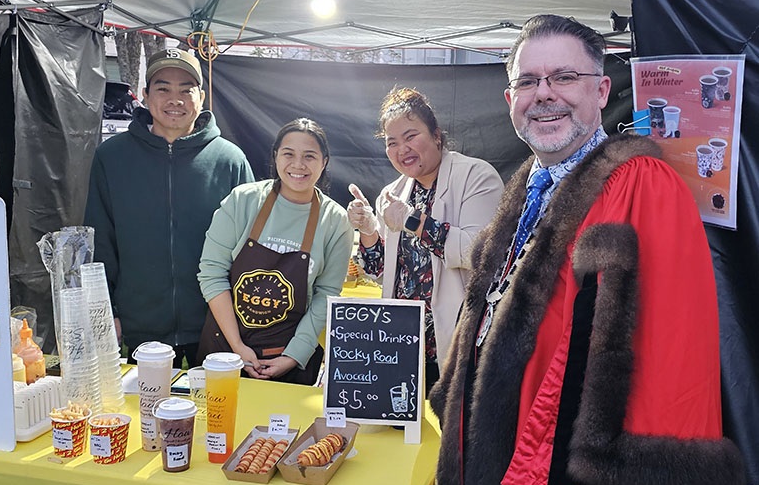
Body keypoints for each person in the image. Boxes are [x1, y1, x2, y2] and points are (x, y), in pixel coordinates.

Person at [427, 15, 745, 485]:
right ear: (510, 99)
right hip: (493, 467)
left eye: (563, 78)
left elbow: (671, 341)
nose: (544, 94)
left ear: (601, 91)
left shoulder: (641, 182)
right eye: (528, 82)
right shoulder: (526, 187)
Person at [84, 48, 254, 368]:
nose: (174, 99)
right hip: (139, 327)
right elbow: (100, 243)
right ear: (146, 96)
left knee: (213, 414)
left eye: (185, 90)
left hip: (215, 326)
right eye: (163, 88)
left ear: (201, 97)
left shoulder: (230, 161)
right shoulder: (112, 158)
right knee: (145, 416)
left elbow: (249, 249)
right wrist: (108, 313)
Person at [347, 87, 503, 392]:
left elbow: (479, 252)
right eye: (392, 143)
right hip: (403, 347)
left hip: (461, 343)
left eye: (410, 136)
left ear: (436, 135)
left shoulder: (475, 176)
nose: (401, 148)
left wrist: (412, 221)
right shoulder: (393, 193)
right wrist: (367, 230)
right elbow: (383, 273)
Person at [197, 118, 352, 385]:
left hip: (285, 359)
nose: (298, 165)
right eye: (288, 154)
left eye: (310, 156)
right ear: (276, 156)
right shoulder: (242, 201)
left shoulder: (335, 221)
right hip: (224, 352)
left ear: (324, 162)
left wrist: (294, 355)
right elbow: (211, 274)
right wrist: (238, 348)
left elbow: (326, 295)